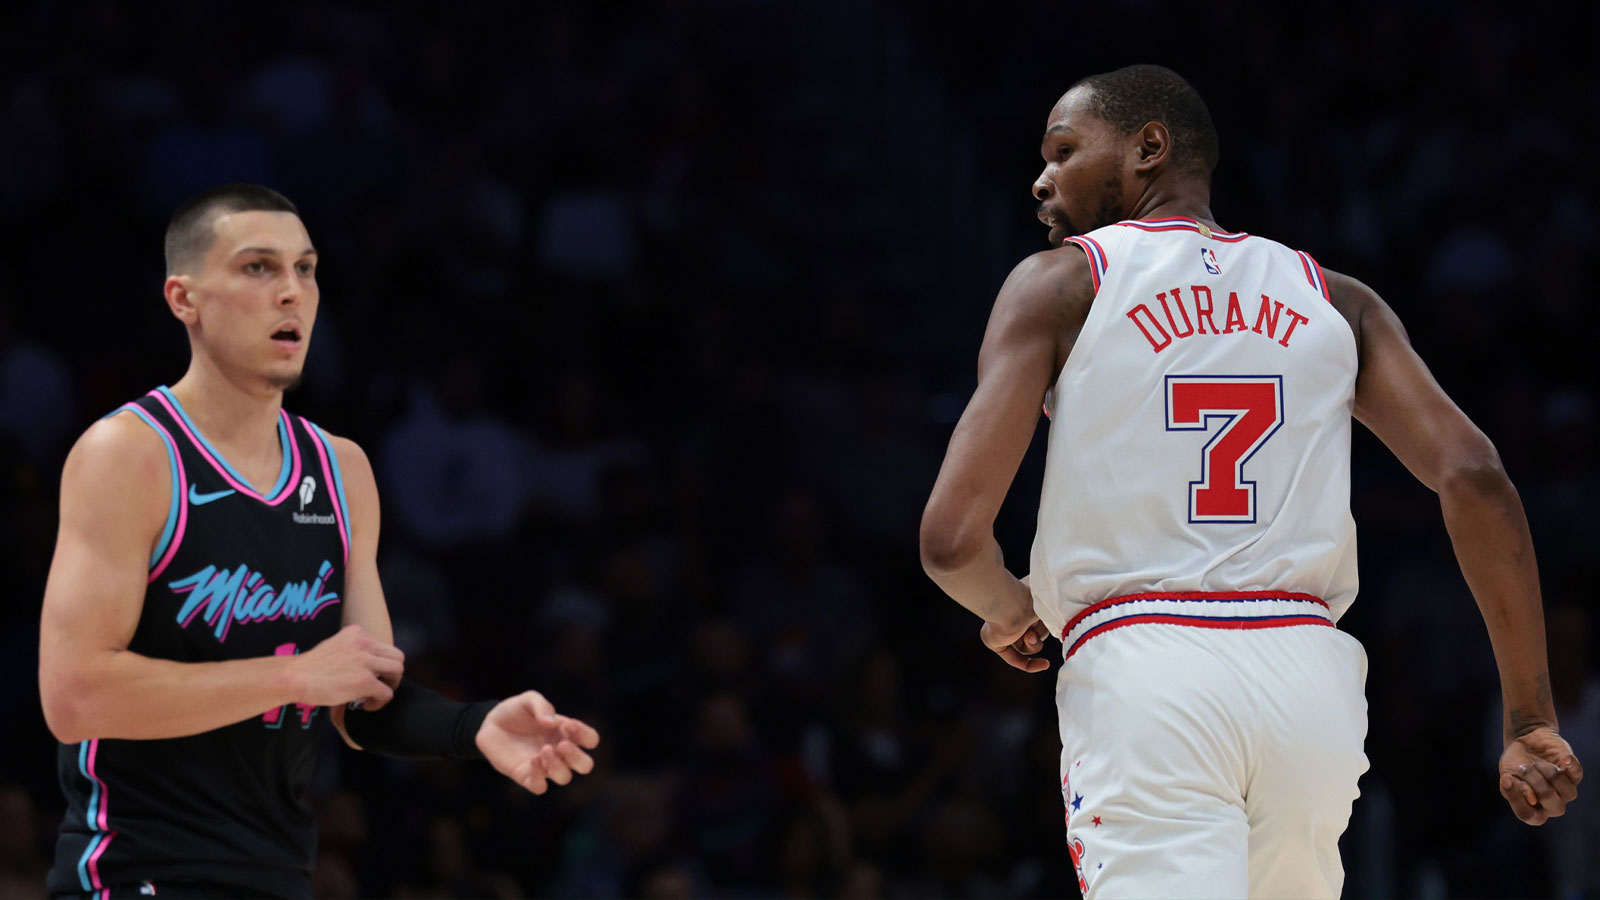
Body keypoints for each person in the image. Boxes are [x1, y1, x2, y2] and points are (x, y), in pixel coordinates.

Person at [918, 65, 1582, 898]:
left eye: (1064, 150)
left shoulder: (1062, 284)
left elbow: (950, 540)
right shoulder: (1337, 300)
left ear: (1149, 147)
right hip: (1308, 679)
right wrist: (1529, 717)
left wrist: (1009, 608)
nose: (1041, 178)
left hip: (1146, 666)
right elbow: (1477, 475)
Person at [37, 184, 601, 900]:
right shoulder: (129, 454)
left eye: (305, 269)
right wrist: (298, 676)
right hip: (135, 877)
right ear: (184, 299)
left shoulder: (341, 470)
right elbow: (76, 695)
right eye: (258, 268)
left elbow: (363, 694)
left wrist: (474, 725)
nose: (291, 293)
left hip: (280, 875)